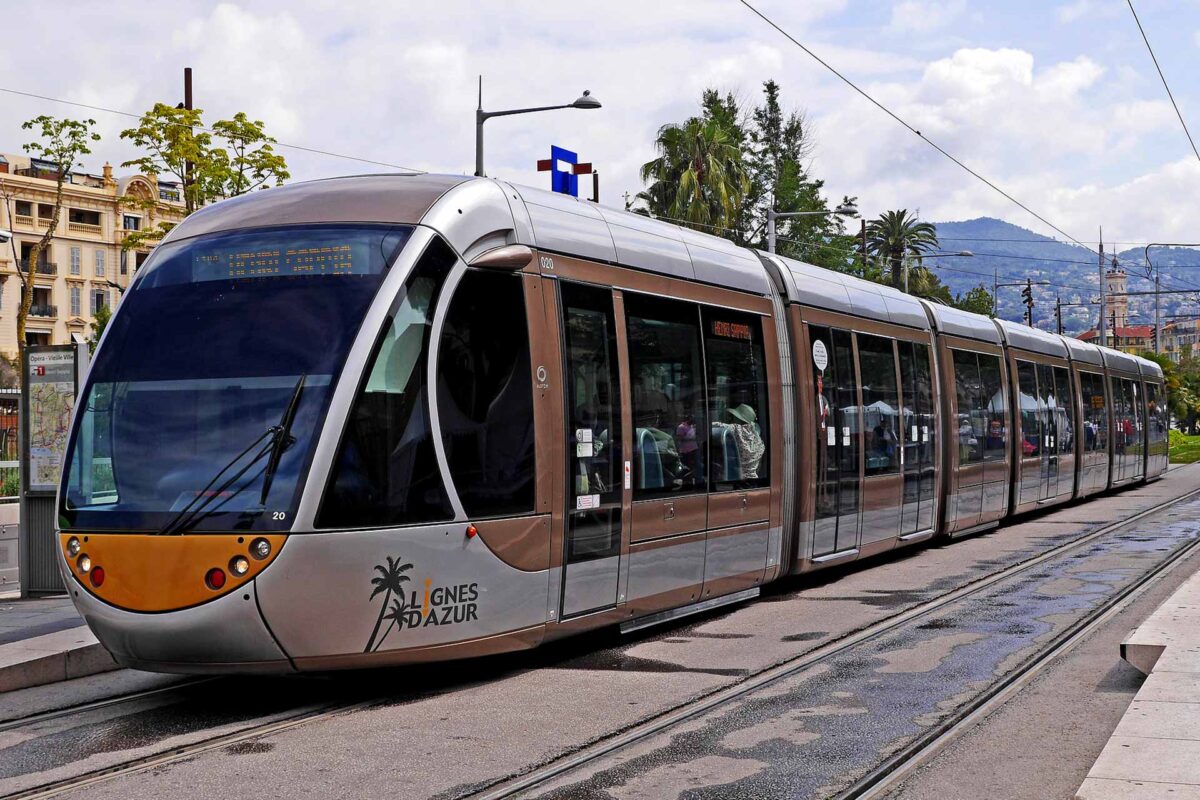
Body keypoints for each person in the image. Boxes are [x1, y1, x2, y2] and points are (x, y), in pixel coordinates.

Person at [714, 403, 765, 480]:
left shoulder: (737, 429)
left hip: (737, 479)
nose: (732, 418)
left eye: (734, 417)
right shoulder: (759, 441)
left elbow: (715, 425)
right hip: (754, 480)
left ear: (739, 419)